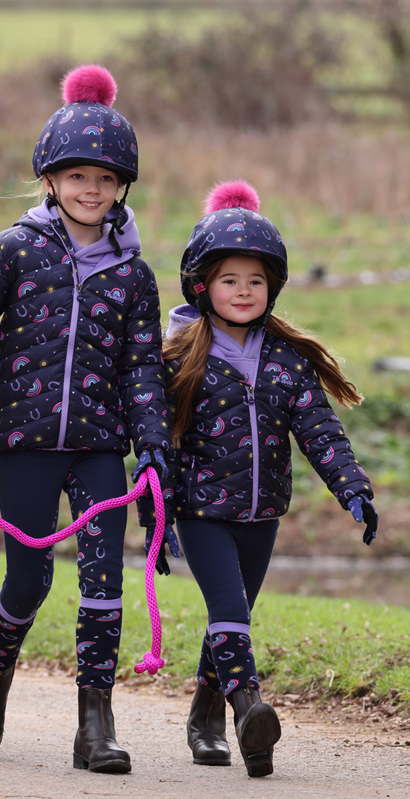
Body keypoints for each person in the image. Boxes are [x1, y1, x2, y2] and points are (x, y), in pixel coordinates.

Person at [0, 65, 171, 773]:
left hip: (99, 448)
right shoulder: (13, 250)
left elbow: (142, 371)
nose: (91, 189)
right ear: (51, 180)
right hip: (24, 443)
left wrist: (154, 447)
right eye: (77, 176)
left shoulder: (134, 276)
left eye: (105, 179)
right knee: (28, 581)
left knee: (104, 584)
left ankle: (95, 726)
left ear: (121, 187)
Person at [157, 180, 378, 778]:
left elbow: (320, 431)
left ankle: (204, 720)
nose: (243, 291)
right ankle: (250, 714)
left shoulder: (287, 361)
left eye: (255, 281)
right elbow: (160, 442)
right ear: (202, 286)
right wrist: (158, 515)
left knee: (232, 621)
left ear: (272, 287)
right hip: (203, 513)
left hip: (262, 515)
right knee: (229, 611)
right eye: (229, 280)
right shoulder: (178, 358)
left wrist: (353, 488)